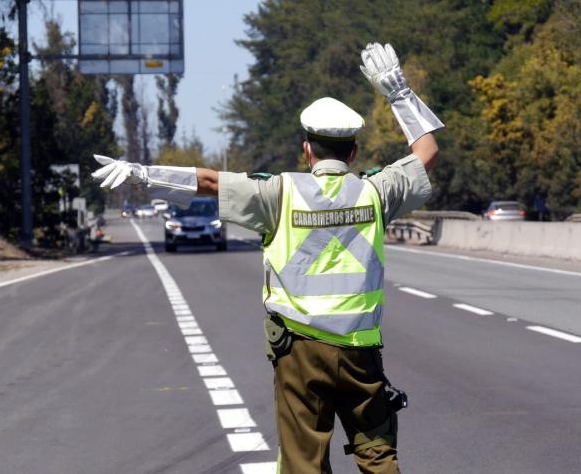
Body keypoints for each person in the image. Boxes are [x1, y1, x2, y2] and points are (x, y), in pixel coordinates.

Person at [92, 42, 444, 474]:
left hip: (300, 351)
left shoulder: (278, 193)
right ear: (353, 154)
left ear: (306, 151)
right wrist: (398, 92)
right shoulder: (376, 191)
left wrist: (145, 173)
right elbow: (426, 153)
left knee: (302, 463)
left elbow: (207, 182)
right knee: (378, 455)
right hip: (361, 351)